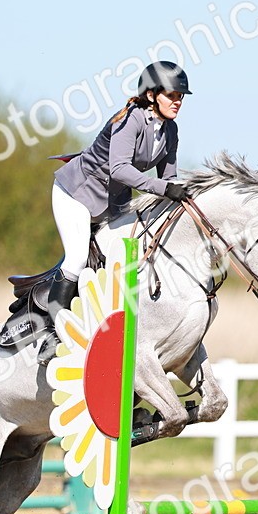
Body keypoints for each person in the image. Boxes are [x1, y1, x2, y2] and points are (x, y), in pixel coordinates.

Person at [38, 60, 193, 364]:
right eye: (172, 96)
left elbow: (169, 178)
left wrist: (184, 194)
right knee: (77, 258)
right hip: (77, 194)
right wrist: (163, 189)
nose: (178, 102)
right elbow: (119, 169)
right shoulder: (130, 120)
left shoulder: (170, 130)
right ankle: (50, 332)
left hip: (115, 201)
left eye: (180, 98)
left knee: (128, 258)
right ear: (151, 95)